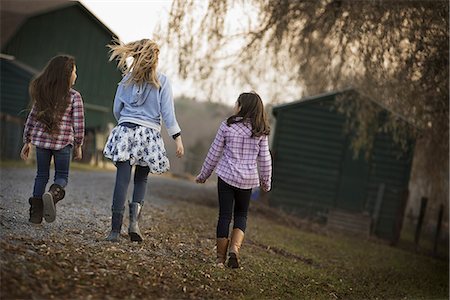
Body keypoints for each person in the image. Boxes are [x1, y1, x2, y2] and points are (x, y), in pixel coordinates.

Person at [103, 38, 184, 243]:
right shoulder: (162, 81)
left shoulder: (126, 80)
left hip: (126, 129)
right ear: (155, 58)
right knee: (141, 179)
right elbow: (168, 114)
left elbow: (116, 109)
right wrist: (177, 139)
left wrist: (125, 122)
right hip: (149, 135)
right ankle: (134, 224)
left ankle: (114, 230)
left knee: (122, 180)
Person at [196, 92, 272, 268]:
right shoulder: (260, 131)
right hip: (247, 181)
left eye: (236, 103)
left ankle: (220, 260)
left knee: (224, 215)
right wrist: (266, 182)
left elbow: (214, 154)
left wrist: (204, 175)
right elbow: (265, 159)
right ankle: (234, 250)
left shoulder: (227, 126)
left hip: (227, 177)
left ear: (242, 106)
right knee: (241, 215)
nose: (234, 105)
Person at [21, 55, 84, 224]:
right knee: (62, 176)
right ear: (67, 74)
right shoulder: (74, 96)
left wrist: (27, 141)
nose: (76, 75)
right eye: (74, 72)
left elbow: (31, 118)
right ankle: (53, 193)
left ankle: (35, 214)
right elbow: (78, 123)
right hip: (63, 144)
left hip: (42, 143)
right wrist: (78, 144)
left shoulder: (43, 93)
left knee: (41, 175)